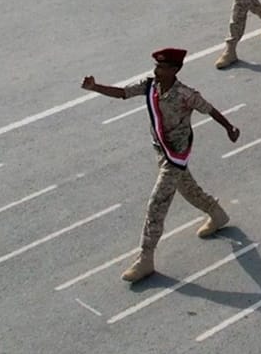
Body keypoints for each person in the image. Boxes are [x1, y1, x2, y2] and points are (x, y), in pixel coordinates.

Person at [80, 48, 240, 284]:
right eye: (156, 66)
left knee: (157, 203)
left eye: (162, 67)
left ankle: (146, 258)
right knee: (187, 189)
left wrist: (229, 128)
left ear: (174, 70)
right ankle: (217, 214)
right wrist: (95, 87)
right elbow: (123, 93)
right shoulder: (151, 86)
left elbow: (209, 109)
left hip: (176, 155)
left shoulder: (185, 94)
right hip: (161, 151)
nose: (156, 70)